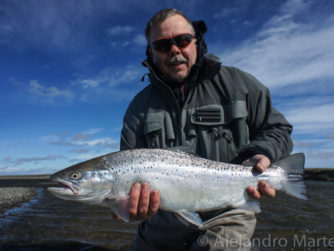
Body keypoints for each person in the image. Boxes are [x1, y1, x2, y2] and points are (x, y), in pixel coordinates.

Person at [119, 8, 293, 251]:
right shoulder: (138, 108)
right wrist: (127, 211)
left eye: (182, 40)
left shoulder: (239, 84)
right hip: (162, 219)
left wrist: (263, 151)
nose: (174, 50)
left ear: (196, 42)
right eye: (162, 45)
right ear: (151, 52)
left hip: (230, 212)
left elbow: (278, 128)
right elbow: (126, 175)